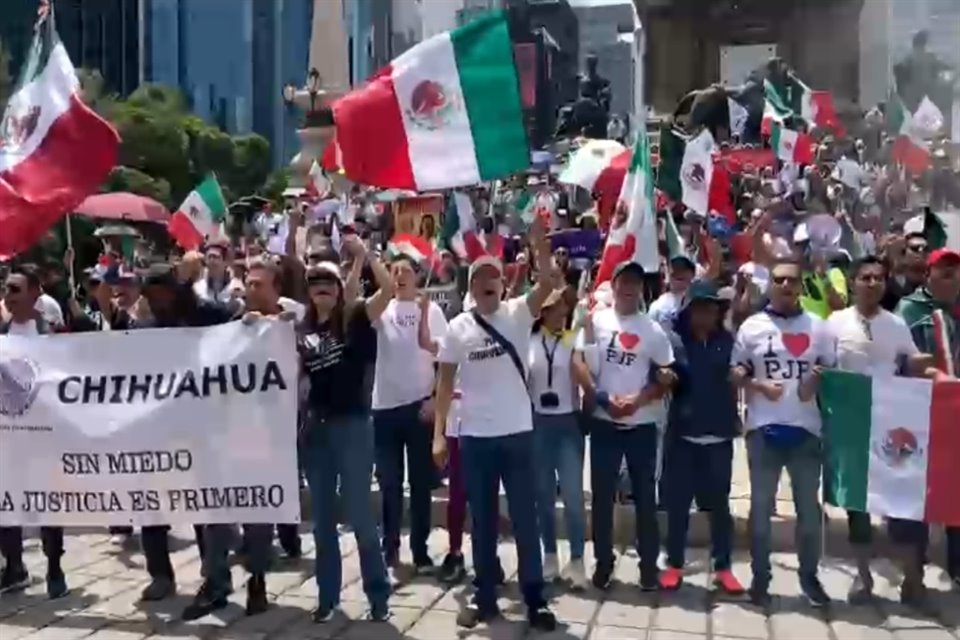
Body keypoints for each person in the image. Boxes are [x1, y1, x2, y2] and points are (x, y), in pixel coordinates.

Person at [432, 217, 557, 631]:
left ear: (503, 284)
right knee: (482, 521)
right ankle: (485, 597)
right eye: (479, 277)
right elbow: (445, 384)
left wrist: (539, 248)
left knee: (525, 518)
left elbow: (548, 283)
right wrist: (438, 436)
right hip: (475, 438)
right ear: (470, 286)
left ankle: (534, 598)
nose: (487, 283)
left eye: (494, 277)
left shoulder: (519, 314)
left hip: (518, 434)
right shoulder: (456, 329)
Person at [180, 259, 295, 621]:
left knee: (259, 516)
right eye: (248, 283)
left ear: (276, 289)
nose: (250, 291)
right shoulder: (229, 326)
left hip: (266, 438)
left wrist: (273, 329)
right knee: (215, 512)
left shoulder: (290, 323)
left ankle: (257, 581)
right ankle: (215, 582)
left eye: (259, 284)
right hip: (225, 435)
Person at [825, 255, 940, 604]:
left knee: (901, 498)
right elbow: (825, 368)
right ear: (853, 282)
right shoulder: (834, 323)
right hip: (850, 425)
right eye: (865, 277)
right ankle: (862, 577)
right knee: (856, 504)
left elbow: (909, 362)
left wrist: (932, 367)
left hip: (892, 425)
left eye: (878, 278)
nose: (872, 283)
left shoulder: (896, 323)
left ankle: (912, 577)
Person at [297, 236, 393, 624]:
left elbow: (387, 290)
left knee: (359, 515)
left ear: (338, 289)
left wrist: (367, 257)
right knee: (322, 522)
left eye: (328, 281)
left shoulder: (355, 316)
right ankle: (327, 597)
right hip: (315, 430)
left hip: (353, 426)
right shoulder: (300, 326)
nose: (321, 287)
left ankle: (378, 594)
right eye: (314, 281)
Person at [731, 258, 834, 608]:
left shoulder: (820, 328)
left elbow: (833, 377)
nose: (786, 286)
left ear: (801, 284)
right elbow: (735, 373)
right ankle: (760, 578)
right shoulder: (752, 327)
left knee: (808, 512)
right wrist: (758, 385)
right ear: (770, 284)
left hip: (807, 431)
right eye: (779, 280)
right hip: (763, 430)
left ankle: (809, 576)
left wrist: (817, 382)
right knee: (760, 511)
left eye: (792, 280)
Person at [136, 263, 234, 602]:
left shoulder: (208, 315)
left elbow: (239, 332)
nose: (156, 300)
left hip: (202, 425)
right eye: (150, 295)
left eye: (161, 292)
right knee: (150, 505)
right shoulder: (145, 328)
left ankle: (214, 568)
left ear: (176, 290)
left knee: (204, 501)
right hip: (158, 428)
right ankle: (160, 574)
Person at [574, 261, 675, 591]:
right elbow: (578, 363)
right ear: (613, 285)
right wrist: (602, 399)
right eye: (623, 281)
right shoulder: (595, 322)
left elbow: (666, 376)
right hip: (605, 425)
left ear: (642, 289)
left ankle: (648, 566)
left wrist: (639, 400)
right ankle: (604, 562)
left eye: (635, 282)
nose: (629, 287)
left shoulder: (653, 330)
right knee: (602, 499)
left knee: (646, 498)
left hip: (642, 426)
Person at [660, 281, 744, 595]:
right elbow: (662, 374)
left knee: (720, 508)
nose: (705, 313)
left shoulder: (729, 341)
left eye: (711, 307)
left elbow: (735, 381)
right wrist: (663, 378)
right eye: (699, 307)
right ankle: (674, 564)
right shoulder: (674, 342)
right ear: (689, 310)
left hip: (719, 437)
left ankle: (722, 567)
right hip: (682, 436)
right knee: (678, 506)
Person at [370, 254, 448, 576]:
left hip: (419, 408)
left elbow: (446, 358)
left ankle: (420, 550)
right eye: (394, 271)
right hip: (384, 410)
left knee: (419, 485)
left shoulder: (431, 310)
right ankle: (389, 548)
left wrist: (434, 399)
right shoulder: (380, 310)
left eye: (406, 271)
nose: (400, 276)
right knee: (389, 483)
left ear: (417, 276)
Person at [895, 248, 960, 597]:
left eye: (956, 272)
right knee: (917, 497)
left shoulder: (956, 312)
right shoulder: (908, 310)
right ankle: (913, 573)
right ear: (929, 275)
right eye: (944, 271)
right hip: (920, 414)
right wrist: (927, 372)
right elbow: (899, 359)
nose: (952, 278)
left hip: (956, 417)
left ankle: (956, 568)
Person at [0, 268, 67, 598]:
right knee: (6, 501)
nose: (8, 295)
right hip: (8, 435)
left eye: (15, 289)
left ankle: (55, 567)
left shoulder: (49, 333)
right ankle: (14, 567)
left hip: (44, 434)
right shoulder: (1, 331)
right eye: (6, 289)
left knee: (47, 504)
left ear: (35, 293)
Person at [528, 290, 588, 589]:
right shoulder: (529, 341)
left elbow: (580, 369)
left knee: (574, 496)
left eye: (564, 306)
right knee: (543, 496)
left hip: (567, 422)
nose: (560, 312)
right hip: (538, 423)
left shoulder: (569, 339)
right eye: (554, 307)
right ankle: (549, 555)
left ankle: (577, 560)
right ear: (543, 310)